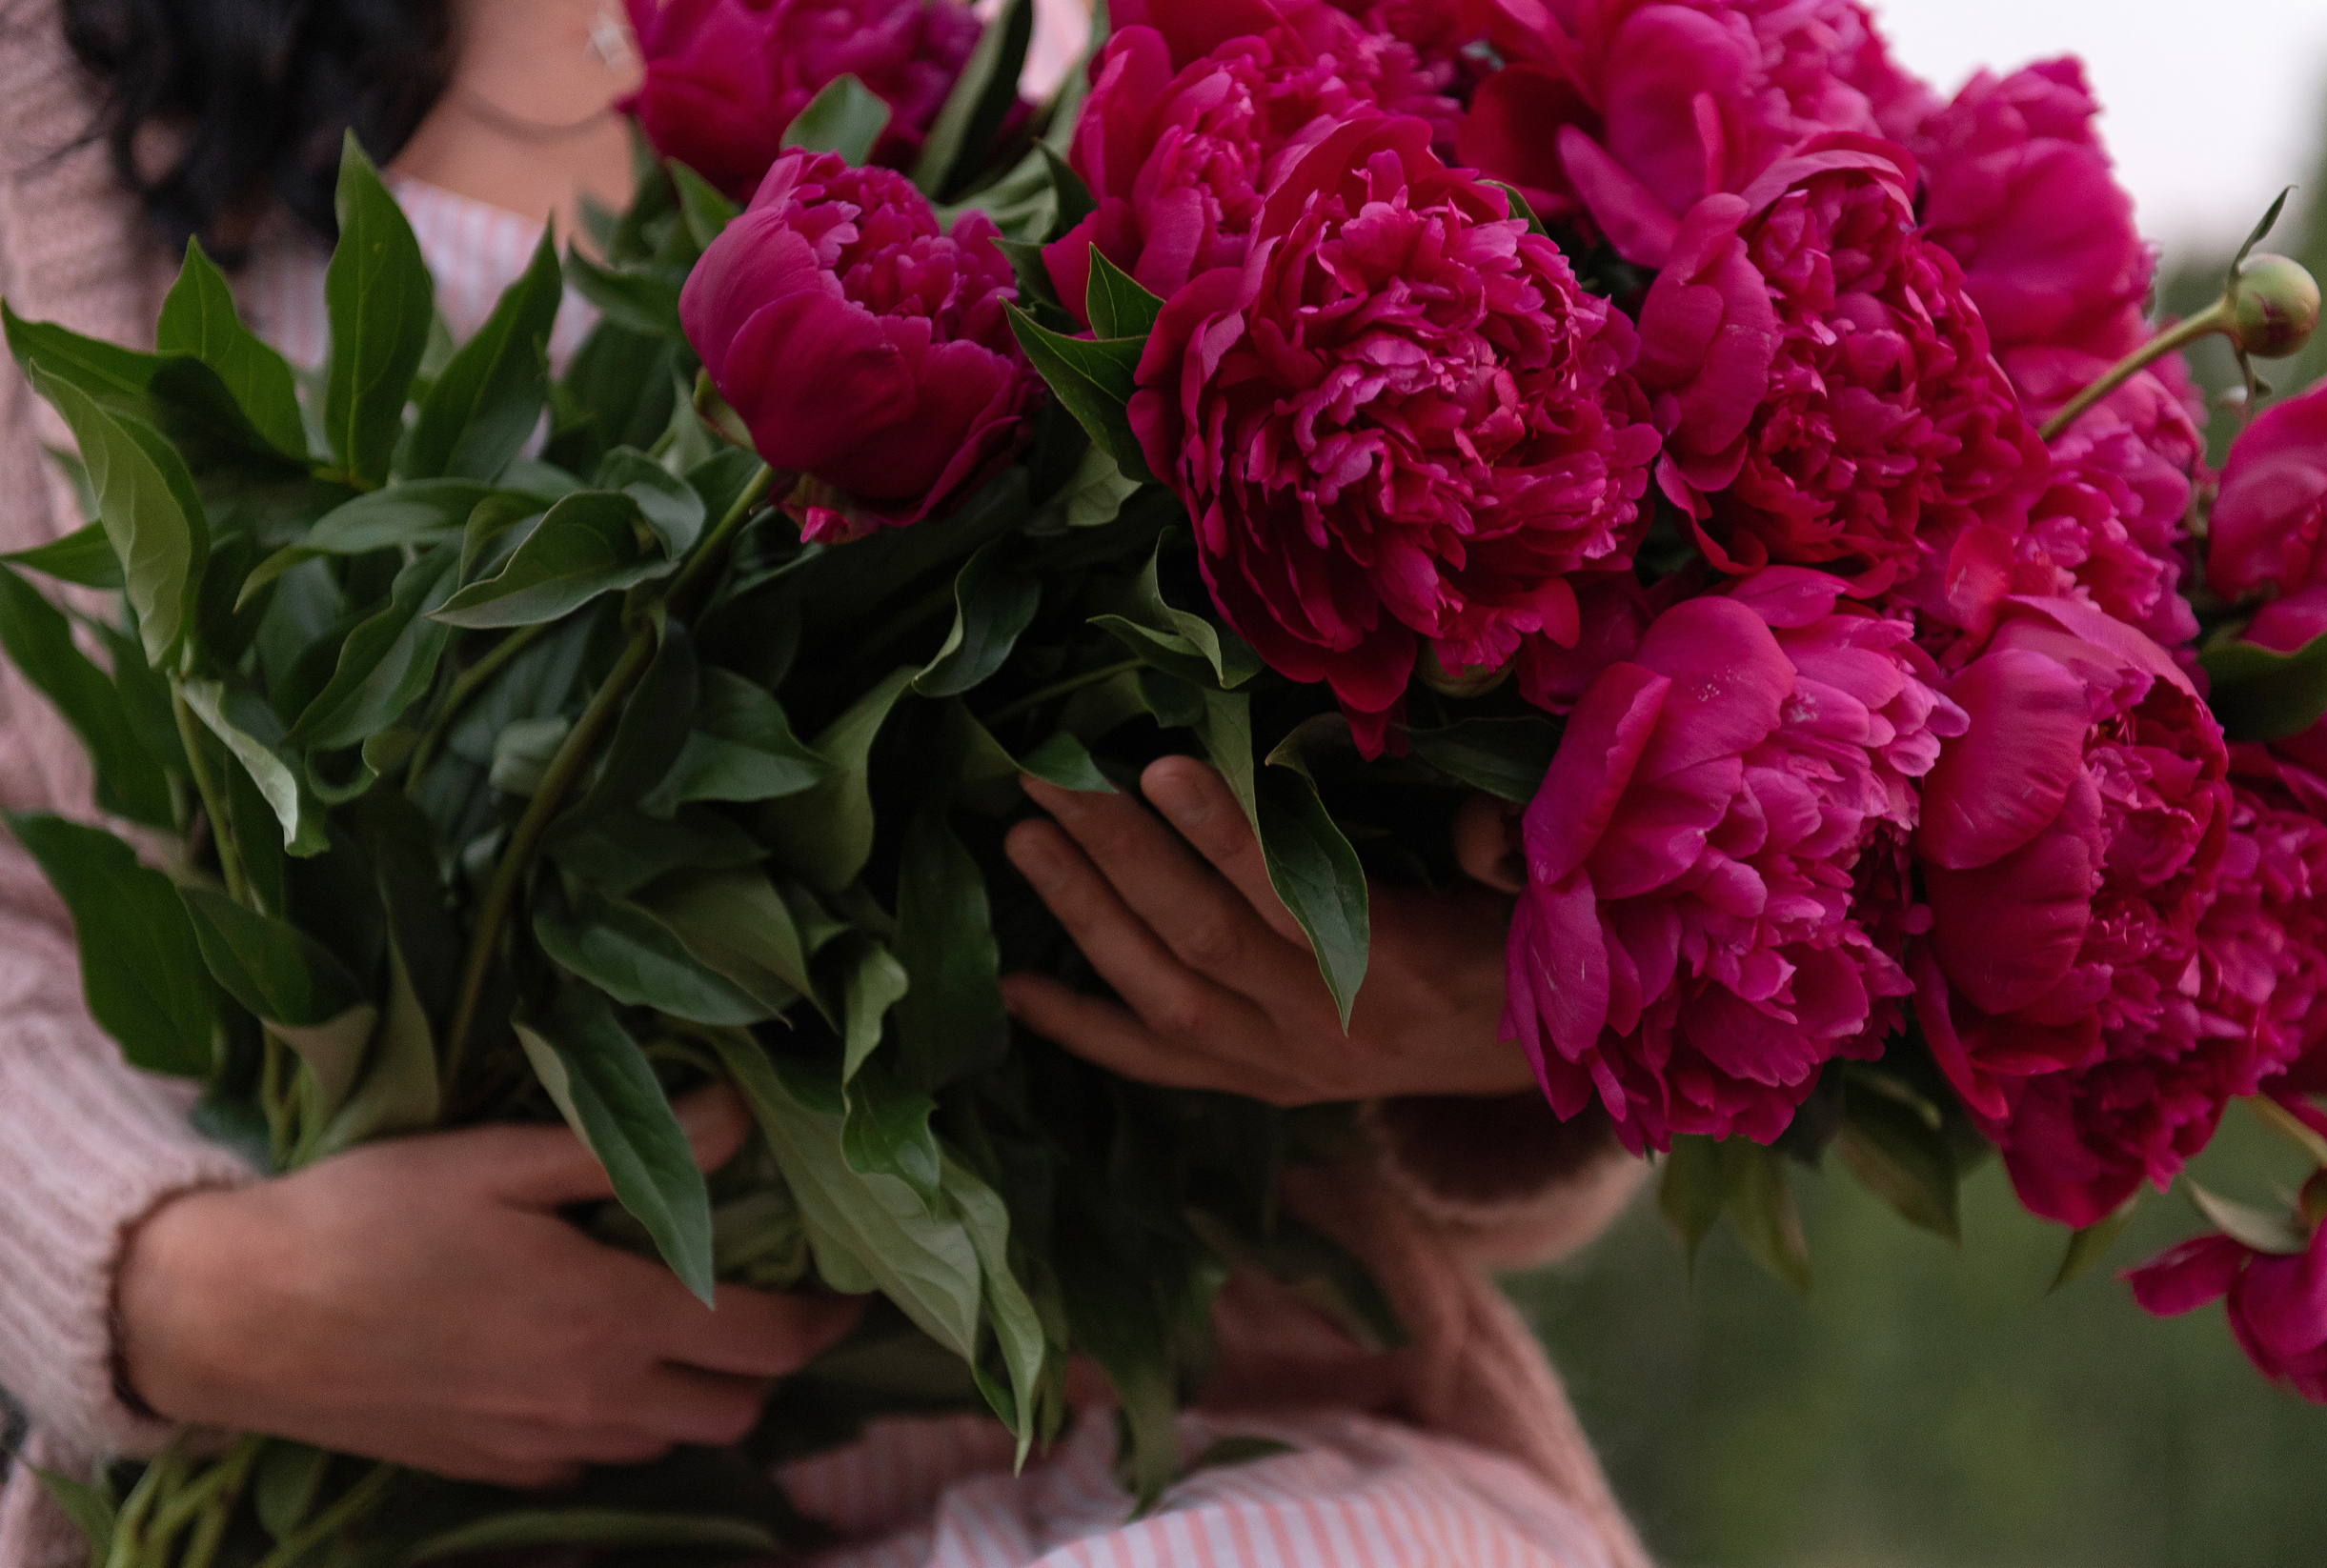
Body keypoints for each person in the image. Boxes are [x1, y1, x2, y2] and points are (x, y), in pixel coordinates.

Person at [0, 1, 1651, 1563]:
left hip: (1169, 1444)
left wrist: (1485, 1021)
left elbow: (1420, 750)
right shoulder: (54, 107)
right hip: (419, 1493)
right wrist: (191, 1288)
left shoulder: (1115, 43)